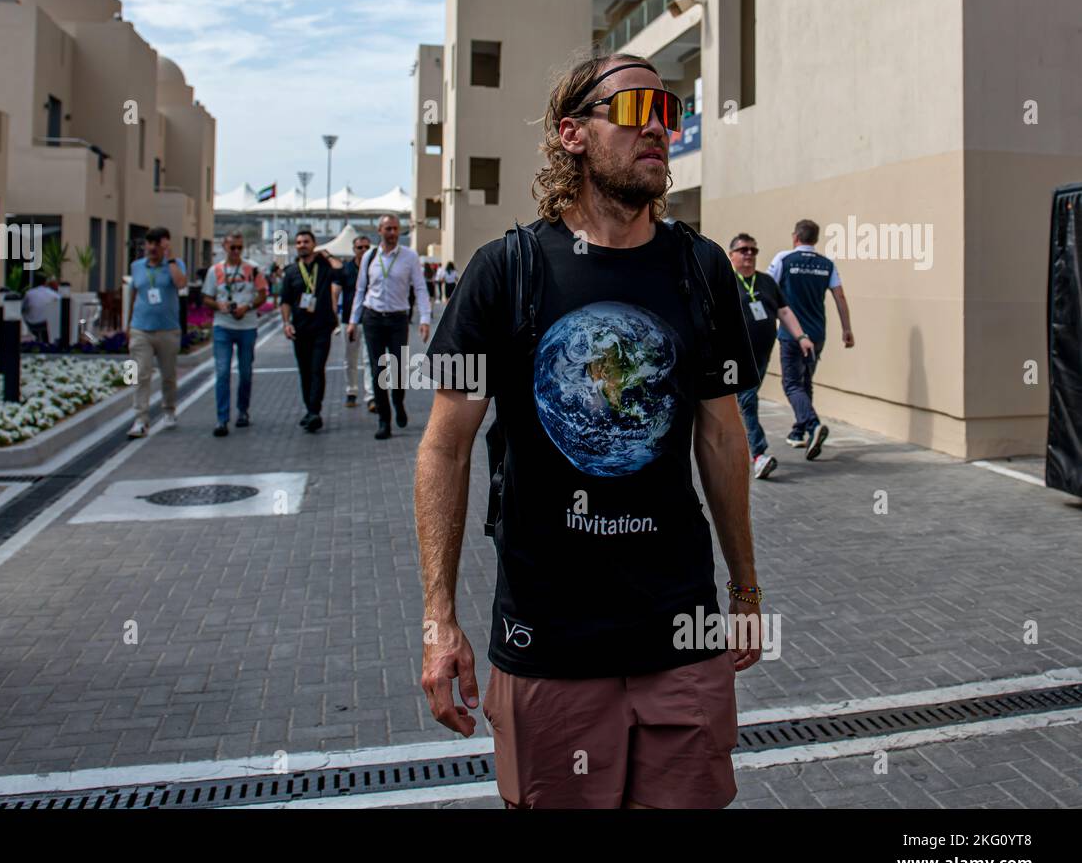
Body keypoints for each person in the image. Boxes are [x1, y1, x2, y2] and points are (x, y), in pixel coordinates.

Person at [415, 51, 762, 809]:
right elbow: (445, 446)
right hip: (550, 644)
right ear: (572, 134)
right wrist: (439, 621)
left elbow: (722, 438)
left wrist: (744, 590)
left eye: (668, 113)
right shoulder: (505, 273)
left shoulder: (702, 272)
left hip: (683, 635)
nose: (660, 129)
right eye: (637, 111)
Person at [766, 219, 855, 460]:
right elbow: (840, 297)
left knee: (792, 383)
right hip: (817, 334)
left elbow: (766, 288)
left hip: (791, 333)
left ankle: (812, 425)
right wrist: (847, 329)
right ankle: (799, 432)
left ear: (796, 237)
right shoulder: (827, 264)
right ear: (815, 239)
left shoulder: (784, 259)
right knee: (805, 382)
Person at [727, 233, 814, 479]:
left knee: (744, 402)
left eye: (753, 250)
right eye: (743, 250)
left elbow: (784, 312)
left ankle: (736, 447)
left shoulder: (765, 282)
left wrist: (801, 336)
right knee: (747, 399)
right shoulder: (725, 282)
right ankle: (759, 454)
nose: (749, 254)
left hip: (762, 354)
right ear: (731, 254)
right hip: (735, 354)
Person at [348, 215, 431, 440]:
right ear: (379, 230)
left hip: (397, 319)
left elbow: (421, 289)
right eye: (388, 229)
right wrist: (353, 321)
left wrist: (425, 319)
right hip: (372, 318)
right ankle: (384, 420)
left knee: (397, 368)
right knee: (377, 371)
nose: (392, 232)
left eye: (395, 229)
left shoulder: (409, 257)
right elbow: (360, 289)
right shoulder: (369, 256)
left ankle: (398, 402)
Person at [203, 233, 267, 437]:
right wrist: (219, 305)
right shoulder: (216, 270)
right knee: (222, 372)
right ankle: (222, 418)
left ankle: (243, 411)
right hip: (223, 325)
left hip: (247, 326)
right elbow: (206, 297)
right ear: (225, 247)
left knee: (245, 371)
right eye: (233, 248)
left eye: (240, 247)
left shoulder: (253, 268)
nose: (237, 251)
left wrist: (247, 307)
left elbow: (262, 293)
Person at [125, 226, 186, 438]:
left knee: (168, 375)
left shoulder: (175, 265)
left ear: (165, 245)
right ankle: (140, 419)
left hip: (168, 330)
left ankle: (169, 410)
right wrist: (128, 325)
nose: (151, 248)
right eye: (148, 243)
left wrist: (170, 260)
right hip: (141, 329)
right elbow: (134, 294)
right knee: (140, 374)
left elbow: (180, 284)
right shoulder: (136, 267)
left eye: (156, 244)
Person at [279, 230, 340, 433]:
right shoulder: (291, 272)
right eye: (298, 242)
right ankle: (310, 409)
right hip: (300, 329)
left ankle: (315, 411)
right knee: (305, 372)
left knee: (316, 369)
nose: (302, 245)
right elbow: (285, 300)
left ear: (314, 244)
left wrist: (329, 255)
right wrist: (286, 323)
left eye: (306, 241)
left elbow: (342, 273)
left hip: (322, 327)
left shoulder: (323, 266)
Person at [332, 235, 375, 410]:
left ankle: (370, 395)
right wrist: (335, 316)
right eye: (360, 247)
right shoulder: (345, 269)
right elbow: (334, 292)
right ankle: (351, 390)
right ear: (354, 249)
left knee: (368, 359)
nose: (363, 250)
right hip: (348, 321)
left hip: (369, 320)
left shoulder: (374, 268)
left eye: (366, 247)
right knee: (350, 358)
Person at [21, 274, 59, 344]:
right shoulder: (54, 294)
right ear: (45, 282)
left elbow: (23, 308)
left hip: (32, 323)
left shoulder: (29, 294)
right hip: (48, 323)